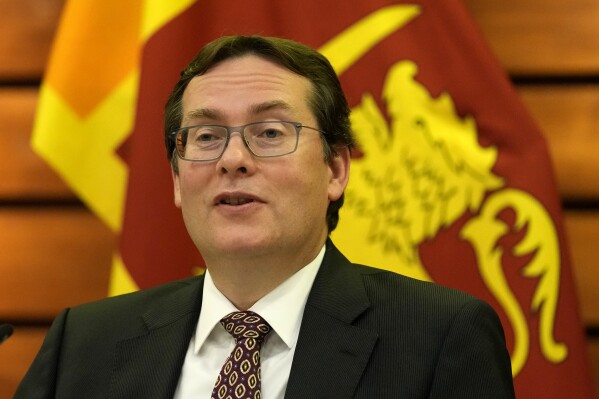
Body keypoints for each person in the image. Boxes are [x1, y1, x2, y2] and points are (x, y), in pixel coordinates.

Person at [15, 35, 515, 398]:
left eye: (270, 133)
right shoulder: (84, 343)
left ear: (336, 169)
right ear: (175, 179)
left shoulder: (440, 337)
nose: (233, 159)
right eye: (207, 137)